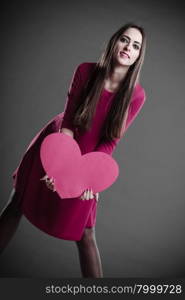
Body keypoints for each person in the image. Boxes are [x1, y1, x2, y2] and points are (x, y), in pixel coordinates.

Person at [0, 22, 147, 278]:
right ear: (115, 42)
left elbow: (110, 141)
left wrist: (91, 176)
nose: (128, 48)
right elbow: (67, 121)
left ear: (138, 56)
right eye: (125, 40)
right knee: (17, 203)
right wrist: (57, 166)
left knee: (85, 233)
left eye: (136, 46)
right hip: (57, 145)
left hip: (90, 160)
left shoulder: (136, 96)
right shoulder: (85, 70)